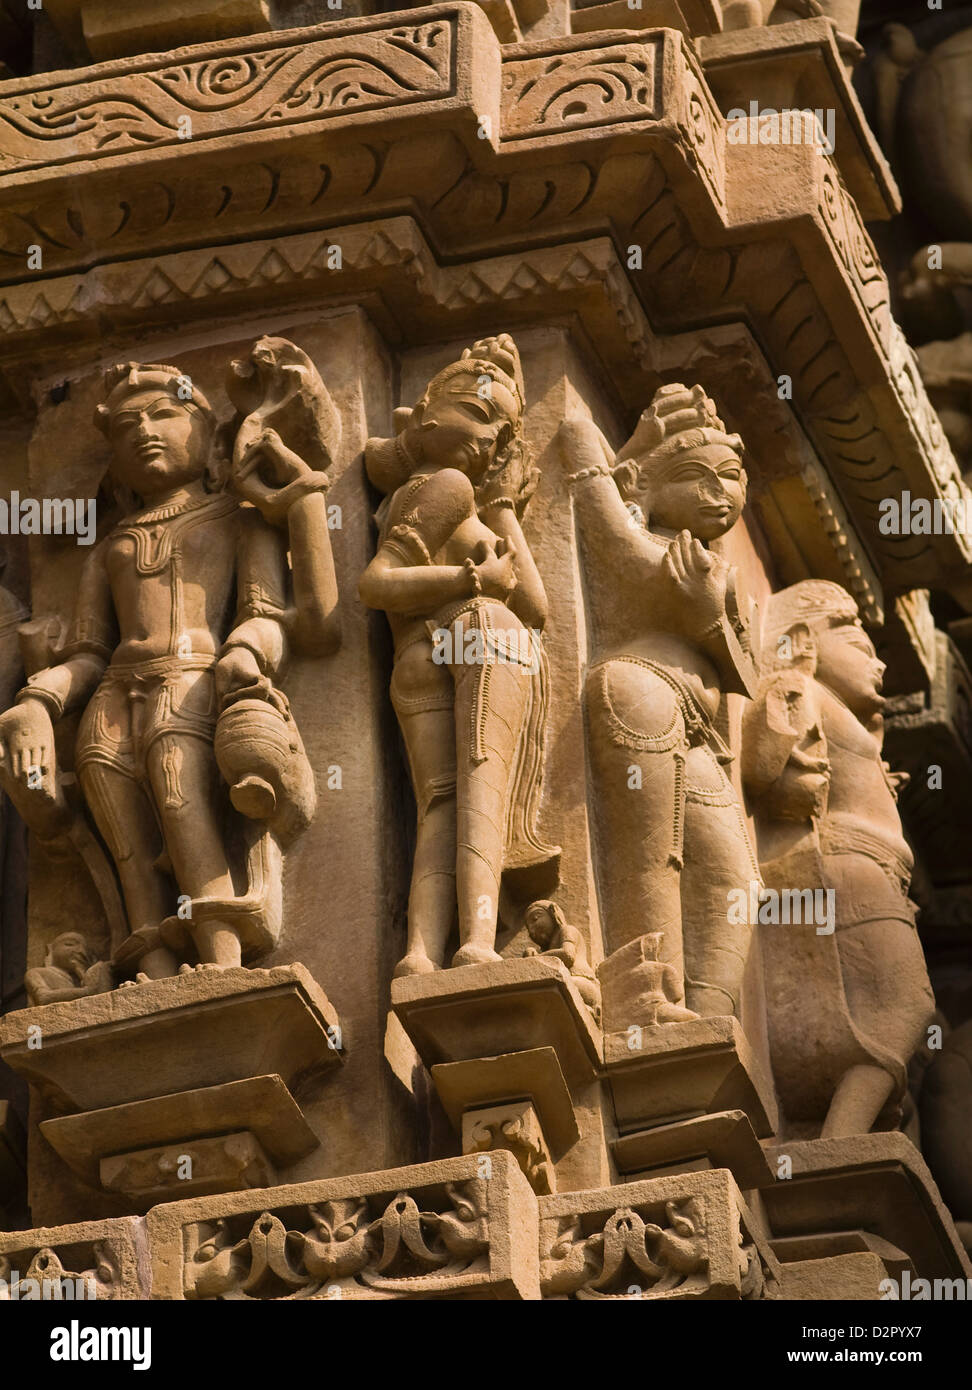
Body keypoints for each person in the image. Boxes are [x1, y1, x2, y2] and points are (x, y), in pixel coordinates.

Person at [360, 334, 558, 977]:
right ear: (423, 414)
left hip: (427, 654)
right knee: (481, 788)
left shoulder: (462, 491)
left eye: (499, 430)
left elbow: (534, 601)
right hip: (466, 638)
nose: (487, 436)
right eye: (476, 411)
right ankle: (474, 940)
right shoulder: (443, 485)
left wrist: (503, 500)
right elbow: (377, 584)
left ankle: (421, 953)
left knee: (444, 803)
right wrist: (472, 583)